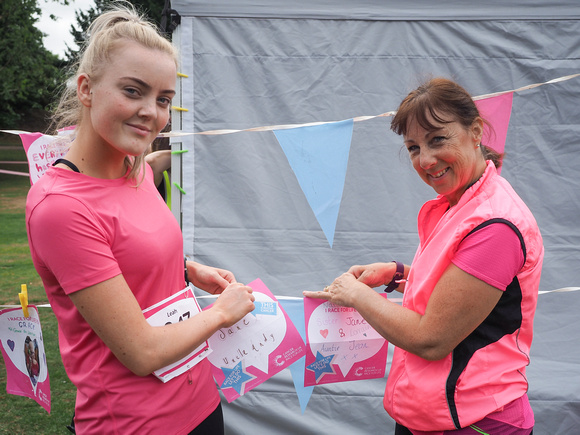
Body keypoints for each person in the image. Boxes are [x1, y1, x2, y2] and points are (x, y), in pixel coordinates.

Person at [25, 4, 255, 434]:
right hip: (134, 423)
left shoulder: (137, 169)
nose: (152, 111)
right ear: (86, 89)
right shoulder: (60, 207)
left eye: (164, 99)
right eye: (133, 91)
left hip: (202, 403)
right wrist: (222, 312)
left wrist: (187, 270)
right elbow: (142, 353)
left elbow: (129, 247)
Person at [304, 77, 543, 435]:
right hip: (432, 412)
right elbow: (466, 291)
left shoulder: (496, 226)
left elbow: (430, 338)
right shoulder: (462, 202)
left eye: (437, 140)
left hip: (474, 419)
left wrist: (356, 295)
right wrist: (397, 274)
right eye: (414, 147)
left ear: (475, 131)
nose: (426, 159)